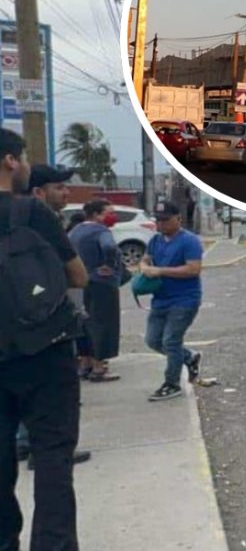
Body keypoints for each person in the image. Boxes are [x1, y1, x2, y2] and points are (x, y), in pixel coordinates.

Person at [0, 130, 90, 550]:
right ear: (9, 161)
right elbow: (77, 275)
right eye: (24, 158)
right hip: (44, 353)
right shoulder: (31, 213)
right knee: (53, 460)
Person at [140, 200, 204, 401]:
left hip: (184, 299)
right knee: (153, 340)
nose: (161, 224)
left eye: (165, 220)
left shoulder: (189, 241)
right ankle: (188, 357)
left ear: (178, 219)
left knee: (171, 341)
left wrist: (160, 271)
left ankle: (172, 383)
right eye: (158, 220)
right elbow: (145, 259)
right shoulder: (155, 241)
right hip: (160, 299)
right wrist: (144, 268)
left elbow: (193, 268)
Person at [70, 200, 124, 383]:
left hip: (79, 282)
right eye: (109, 212)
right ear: (96, 214)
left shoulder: (75, 231)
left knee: (84, 324)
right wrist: (109, 265)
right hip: (102, 283)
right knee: (103, 324)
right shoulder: (101, 232)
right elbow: (109, 247)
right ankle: (99, 367)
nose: (113, 216)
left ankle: (85, 363)